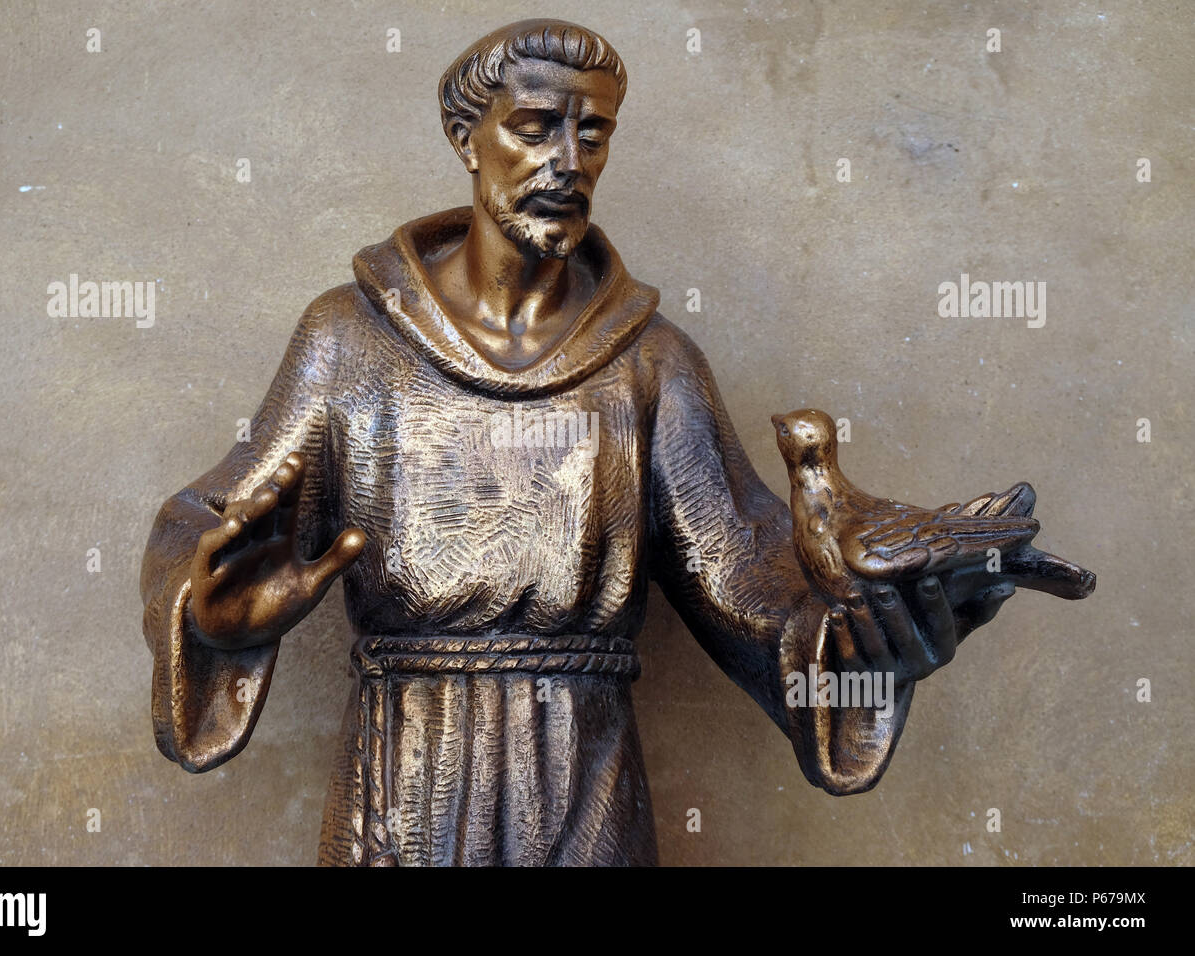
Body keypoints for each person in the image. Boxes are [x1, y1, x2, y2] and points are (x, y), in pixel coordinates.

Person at [142, 19, 1035, 866]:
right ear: (468, 137)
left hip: (586, 782)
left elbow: (752, 583)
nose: (568, 162)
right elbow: (210, 520)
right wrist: (208, 616)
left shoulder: (652, 364)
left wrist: (865, 647)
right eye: (535, 128)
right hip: (402, 780)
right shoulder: (349, 341)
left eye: (594, 134)